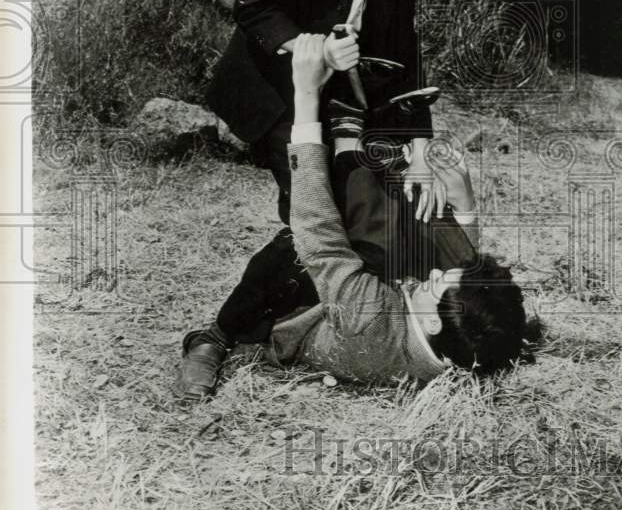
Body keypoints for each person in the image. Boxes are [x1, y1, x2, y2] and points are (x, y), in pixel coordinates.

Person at [181, 0, 468, 382]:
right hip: (275, 86)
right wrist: (306, 44)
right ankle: (216, 335)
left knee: (377, 208)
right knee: (313, 217)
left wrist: (419, 149)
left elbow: (401, 46)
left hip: (347, 96)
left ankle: (306, 320)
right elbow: (255, 5)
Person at [176, 35, 532, 391]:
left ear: (434, 323)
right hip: (382, 300)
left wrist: (306, 98)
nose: (436, 273)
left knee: (327, 237)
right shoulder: (469, 346)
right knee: (426, 217)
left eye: (437, 283)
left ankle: (214, 337)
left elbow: (316, 230)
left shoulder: (370, 320)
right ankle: (377, 138)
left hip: (301, 309)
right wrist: (464, 203)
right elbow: (466, 279)